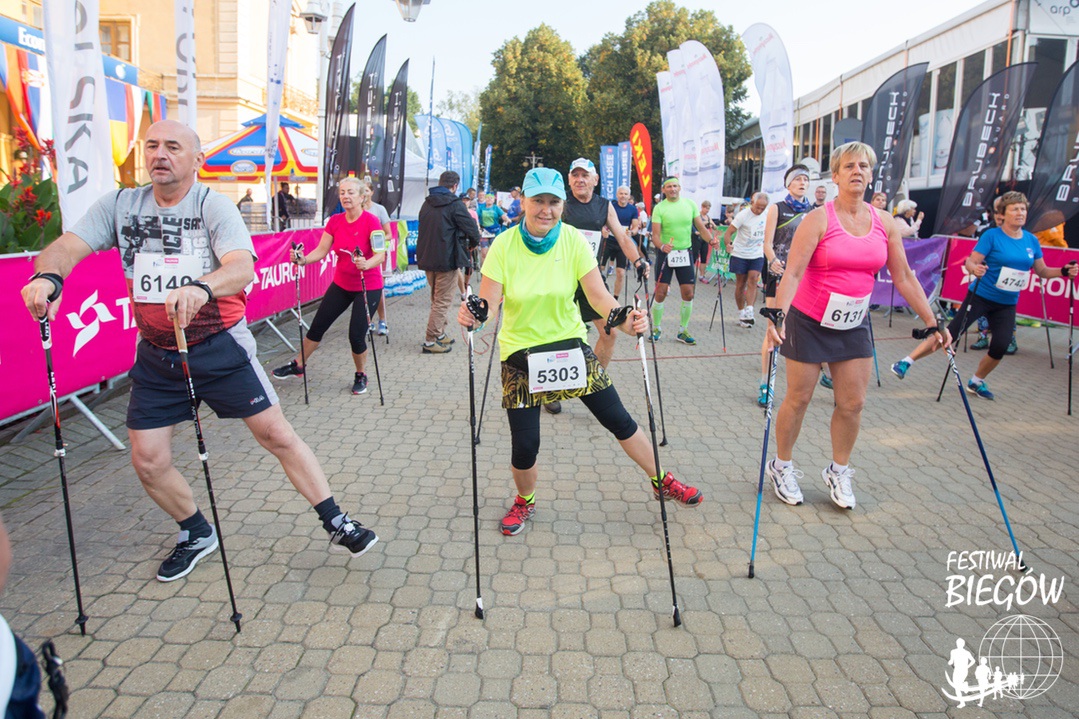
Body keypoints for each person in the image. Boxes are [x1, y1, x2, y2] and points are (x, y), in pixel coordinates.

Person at [21, 120, 378, 582]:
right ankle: (196, 531)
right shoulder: (120, 205)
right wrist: (49, 276)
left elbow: (242, 267)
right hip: (157, 352)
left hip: (219, 344)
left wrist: (201, 287)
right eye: (152, 145)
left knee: (275, 434)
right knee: (148, 459)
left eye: (173, 146)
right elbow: (66, 247)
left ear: (196, 159)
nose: (160, 154)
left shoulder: (213, 206)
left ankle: (336, 520)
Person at [456, 167, 702, 536]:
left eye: (554, 202)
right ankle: (525, 500)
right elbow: (489, 304)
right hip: (521, 354)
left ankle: (660, 480)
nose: (546, 210)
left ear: (563, 205)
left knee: (619, 419)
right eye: (538, 201)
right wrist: (475, 317)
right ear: (523, 202)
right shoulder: (504, 245)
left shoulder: (573, 240)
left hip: (569, 346)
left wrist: (626, 319)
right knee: (526, 444)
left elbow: (600, 298)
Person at [764, 142, 947, 509]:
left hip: (853, 321)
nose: (857, 171)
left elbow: (904, 276)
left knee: (853, 402)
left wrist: (933, 322)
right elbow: (794, 272)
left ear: (871, 174)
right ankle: (781, 465)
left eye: (863, 165)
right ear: (835, 176)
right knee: (799, 398)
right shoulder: (818, 219)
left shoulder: (884, 222)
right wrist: (777, 316)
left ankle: (839, 470)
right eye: (849, 166)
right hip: (809, 319)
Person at [892, 190, 1078, 399]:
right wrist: (975, 269)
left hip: (1007, 302)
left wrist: (1063, 271)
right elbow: (971, 261)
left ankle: (976, 381)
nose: (1020, 213)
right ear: (1003, 214)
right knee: (950, 334)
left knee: (1001, 345)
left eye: (1023, 209)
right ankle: (906, 362)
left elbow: (1042, 271)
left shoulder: (1031, 240)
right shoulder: (992, 236)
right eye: (1015, 209)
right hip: (981, 296)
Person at [272, 177, 386, 395]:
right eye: (342, 192)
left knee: (356, 335)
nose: (345, 196)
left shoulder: (372, 221)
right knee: (317, 325)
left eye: (350, 192)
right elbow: (322, 250)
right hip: (342, 283)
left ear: (362, 197)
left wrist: (367, 263)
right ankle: (298, 365)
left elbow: (380, 255)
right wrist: (303, 259)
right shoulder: (335, 221)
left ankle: (361, 374)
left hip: (367, 285)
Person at [417, 170, 480, 354]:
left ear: (440, 182)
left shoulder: (426, 203)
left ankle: (439, 333)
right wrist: (473, 244)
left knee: (436, 298)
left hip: (427, 257)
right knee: (442, 301)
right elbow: (471, 229)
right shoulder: (455, 204)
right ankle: (430, 341)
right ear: (455, 186)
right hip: (447, 258)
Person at [650, 177, 718, 345]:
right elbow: (655, 236)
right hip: (666, 254)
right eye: (669, 187)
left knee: (688, 293)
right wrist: (662, 246)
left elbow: (701, 228)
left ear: (679, 188)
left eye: (675, 186)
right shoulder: (659, 208)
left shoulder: (690, 205)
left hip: (685, 253)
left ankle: (683, 330)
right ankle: (656, 328)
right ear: (664, 190)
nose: (672, 189)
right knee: (661, 292)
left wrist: (711, 240)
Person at [722, 192, 769, 328]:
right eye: (757, 207)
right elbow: (728, 233)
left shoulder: (767, 215)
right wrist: (728, 244)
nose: (759, 210)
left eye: (763, 208)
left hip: (757, 253)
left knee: (753, 279)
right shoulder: (743, 215)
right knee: (741, 283)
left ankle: (750, 310)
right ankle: (741, 312)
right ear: (752, 203)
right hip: (740, 253)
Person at [360, 181, 394, 337]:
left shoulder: (379, 209)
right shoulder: (356, 210)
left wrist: (374, 239)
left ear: (372, 192)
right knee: (362, 291)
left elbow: (389, 234)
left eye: (367, 190)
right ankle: (368, 321)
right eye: (362, 190)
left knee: (378, 289)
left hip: (377, 254)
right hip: (362, 255)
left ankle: (382, 320)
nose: (364, 193)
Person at [604, 185, 641, 301]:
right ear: (617, 195)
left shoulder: (633, 209)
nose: (623, 196)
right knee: (599, 269)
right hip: (609, 240)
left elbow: (636, 226)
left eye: (625, 194)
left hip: (623, 243)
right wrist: (603, 229)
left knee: (620, 273)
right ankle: (602, 295)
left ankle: (615, 299)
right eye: (621, 193)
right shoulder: (611, 206)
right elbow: (602, 221)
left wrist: (632, 232)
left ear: (629, 196)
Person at [693, 200, 717, 283]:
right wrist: (707, 222)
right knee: (694, 257)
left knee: (704, 257)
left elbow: (715, 227)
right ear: (702, 207)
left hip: (705, 239)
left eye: (708, 209)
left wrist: (712, 224)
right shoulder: (698, 215)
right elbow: (699, 224)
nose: (707, 210)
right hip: (697, 238)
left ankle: (702, 275)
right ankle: (691, 274)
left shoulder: (708, 217)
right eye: (706, 208)